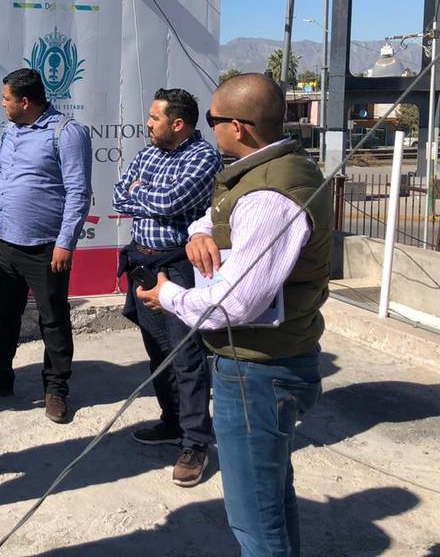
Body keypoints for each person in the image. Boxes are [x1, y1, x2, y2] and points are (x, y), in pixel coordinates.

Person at [136, 73, 332, 557]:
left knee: (254, 521)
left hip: (257, 372)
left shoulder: (270, 195)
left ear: (239, 127)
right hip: (260, 365)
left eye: (213, 120)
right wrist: (199, 233)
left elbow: (236, 303)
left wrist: (170, 296)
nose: (211, 128)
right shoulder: (264, 170)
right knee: (272, 498)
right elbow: (213, 215)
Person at [0, 68, 92, 424]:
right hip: (5, 243)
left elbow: (79, 192)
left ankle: (56, 389)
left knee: (53, 319)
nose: (2, 104)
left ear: (26, 101)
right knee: (4, 314)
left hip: (45, 249)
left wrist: (66, 243)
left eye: (6, 99)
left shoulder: (66, 133)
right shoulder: (10, 130)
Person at [111, 88, 221, 487]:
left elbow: (170, 202)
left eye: (154, 118)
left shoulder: (203, 157)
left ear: (178, 123)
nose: (148, 124)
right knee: (158, 351)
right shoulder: (148, 153)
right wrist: (140, 193)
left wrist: (138, 191)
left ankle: (195, 442)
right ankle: (172, 421)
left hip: (178, 268)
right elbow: (117, 194)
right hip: (142, 263)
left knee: (186, 357)